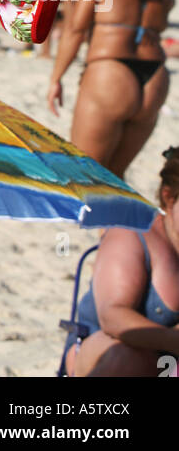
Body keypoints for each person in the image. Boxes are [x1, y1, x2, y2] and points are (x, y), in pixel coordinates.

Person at [48, 0, 175, 178]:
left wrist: (56, 78)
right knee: (116, 177)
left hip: (111, 74)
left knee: (86, 173)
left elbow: (76, 29)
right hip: (155, 79)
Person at [64, 148, 179, 377]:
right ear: (168, 197)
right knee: (129, 359)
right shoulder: (133, 233)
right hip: (104, 350)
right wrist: (173, 340)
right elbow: (113, 317)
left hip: (167, 362)